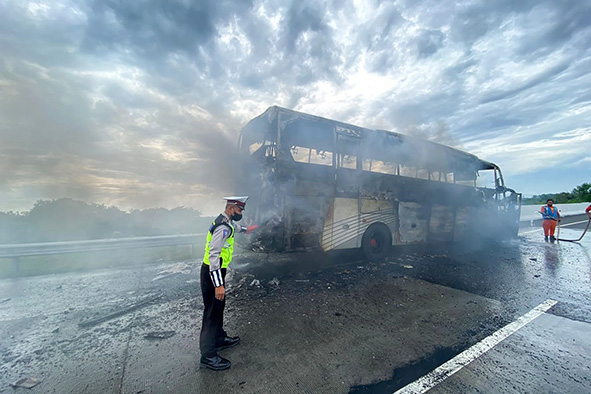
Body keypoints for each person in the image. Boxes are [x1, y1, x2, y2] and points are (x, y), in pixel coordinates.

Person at [199, 196, 258, 371]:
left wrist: (247, 229)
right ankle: (208, 355)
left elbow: (234, 227)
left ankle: (219, 338)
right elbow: (214, 256)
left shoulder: (226, 221)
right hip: (212, 271)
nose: (240, 214)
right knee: (211, 312)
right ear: (231, 208)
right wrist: (218, 284)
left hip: (216, 271)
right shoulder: (223, 227)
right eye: (239, 211)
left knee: (219, 307)